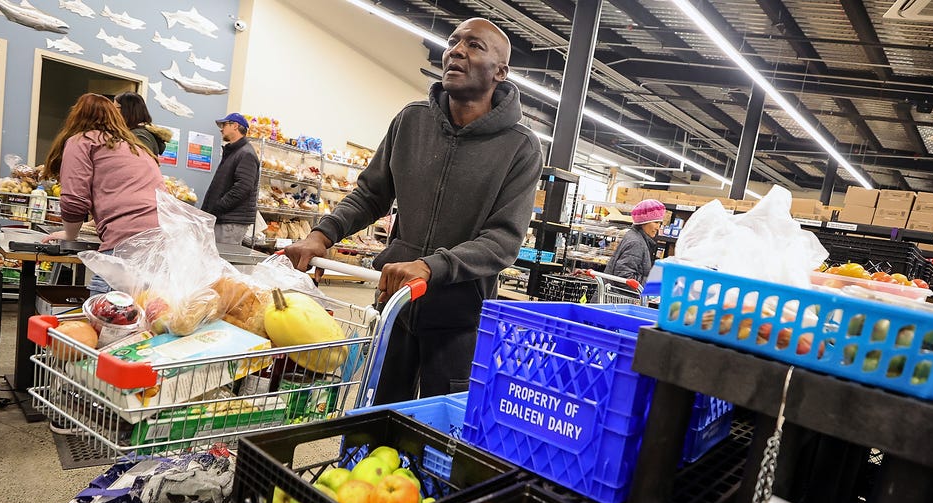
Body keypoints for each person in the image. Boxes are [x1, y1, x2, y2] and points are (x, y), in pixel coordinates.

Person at [282, 17, 543, 405]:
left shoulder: (520, 147)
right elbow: (371, 195)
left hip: (459, 319)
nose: (456, 51)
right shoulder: (411, 121)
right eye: (453, 42)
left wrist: (431, 267)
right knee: (375, 418)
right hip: (394, 307)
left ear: (500, 72)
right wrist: (322, 234)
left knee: (439, 427)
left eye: (474, 45)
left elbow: (503, 240)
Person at [40, 93, 165, 293]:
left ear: (76, 117)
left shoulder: (82, 141)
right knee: (144, 310)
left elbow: (74, 200)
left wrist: (70, 235)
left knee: (105, 309)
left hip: (126, 244)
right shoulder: (136, 146)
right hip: (163, 245)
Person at [201, 112, 259, 245]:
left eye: (224, 125)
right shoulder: (234, 152)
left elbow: (243, 188)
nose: (221, 129)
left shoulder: (246, 154)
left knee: (222, 256)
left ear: (235, 126)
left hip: (230, 222)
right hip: (224, 219)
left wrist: (218, 206)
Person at [604, 199, 666, 282]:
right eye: (656, 222)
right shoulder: (636, 243)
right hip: (618, 290)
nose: (658, 227)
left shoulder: (637, 237)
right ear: (644, 222)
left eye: (660, 223)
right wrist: (653, 283)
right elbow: (624, 277)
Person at [114, 91, 172, 160]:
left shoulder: (139, 136)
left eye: (115, 108)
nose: (112, 112)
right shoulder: (133, 133)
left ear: (127, 110)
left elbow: (141, 164)